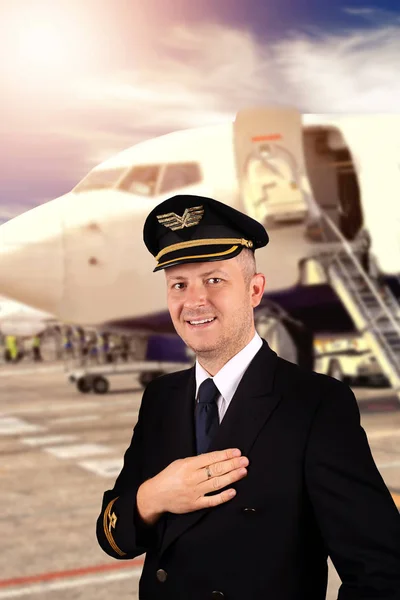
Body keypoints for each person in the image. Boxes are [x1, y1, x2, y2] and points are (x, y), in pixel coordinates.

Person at [96, 194, 400, 599]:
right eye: (178, 284)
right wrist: (153, 496)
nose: (194, 300)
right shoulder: (161, 398)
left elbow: (382, 573)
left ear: (255, 289)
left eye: (214, 280)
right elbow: (114, 537)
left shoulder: (315, 404)